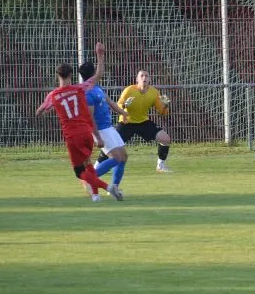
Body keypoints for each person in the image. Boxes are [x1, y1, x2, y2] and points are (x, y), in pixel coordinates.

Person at [35, 42, 123, 202]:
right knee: (88, 164)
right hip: (86, 133)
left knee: (79, 171)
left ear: (58, 76)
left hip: (72, 136)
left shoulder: (53, 95)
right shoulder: (79, 89)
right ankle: (95, 196)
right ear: (70, 75)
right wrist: (100, 55)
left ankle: (108, 187)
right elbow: (98, 75)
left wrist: (45, 111)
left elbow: (40, 111)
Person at [95, 70, 173, 173]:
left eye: (146, 76)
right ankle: (95, 168)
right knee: (112, 146)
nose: (144, 78)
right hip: (126, 122)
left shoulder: (155, 93)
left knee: (165, 139)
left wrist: (165, 106)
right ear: (137, 79)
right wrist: (124, 105)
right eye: (141, 76)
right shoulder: (129, 90)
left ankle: (160, 166)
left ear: (149, 79)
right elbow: (118, 105)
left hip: (143, 122)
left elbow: (163, 113)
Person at [78, 61, 129, 197]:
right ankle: (88, 179)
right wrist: (98, 137)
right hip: (101, 130)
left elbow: (110, 102)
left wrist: (124, 113)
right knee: (116, 158)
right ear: (93, 73)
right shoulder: (87, 94)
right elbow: (90, 119)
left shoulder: (97, 87)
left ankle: (114, 188)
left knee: (123, 156)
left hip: (109, 128)